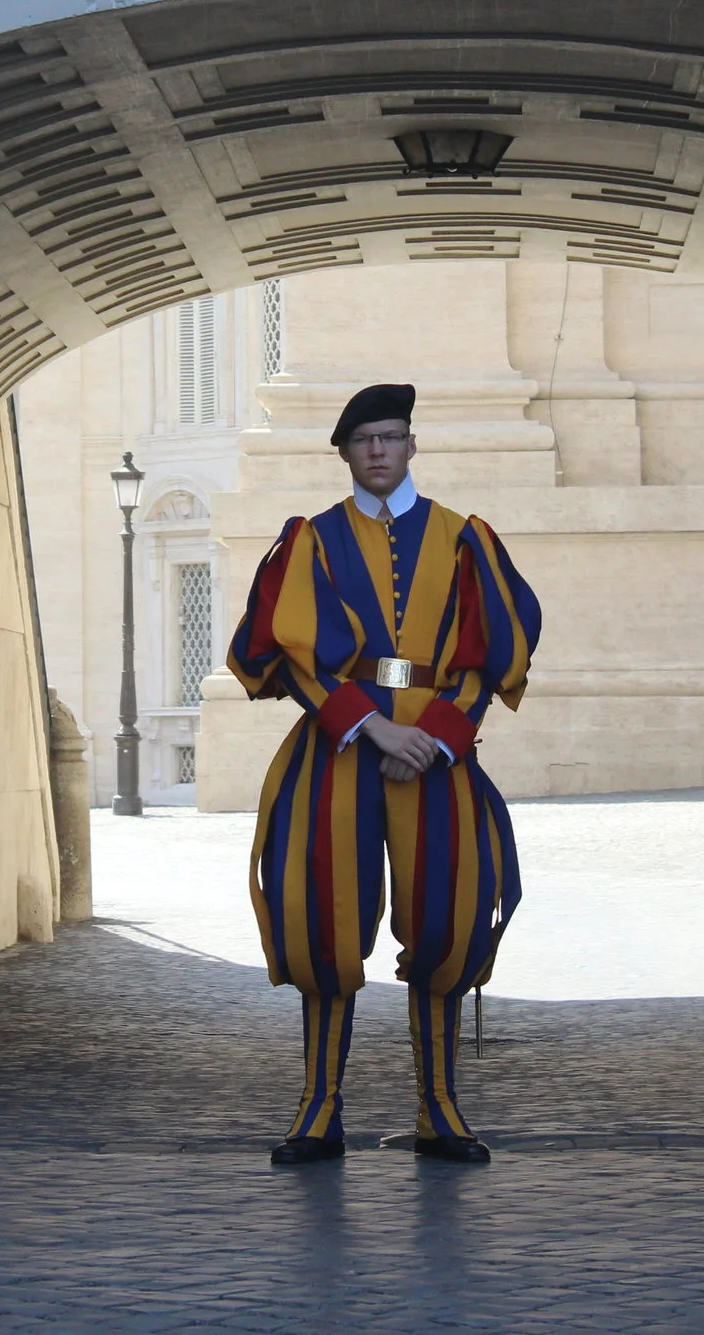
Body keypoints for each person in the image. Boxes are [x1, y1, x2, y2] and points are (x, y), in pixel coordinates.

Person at [229, 382, 541, 1166]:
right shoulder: (312, 540)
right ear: (344, 450)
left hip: (436, 756)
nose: (378, 450)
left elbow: (491, 651)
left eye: (392, 436)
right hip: (338, 750)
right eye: (365, 438)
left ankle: (440, 1107)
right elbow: (286, 655)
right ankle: (317, 1108)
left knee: (446, 922)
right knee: (322, 928)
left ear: (410, 446)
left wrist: (434, 736)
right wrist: (370, 725)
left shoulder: (463, 537)